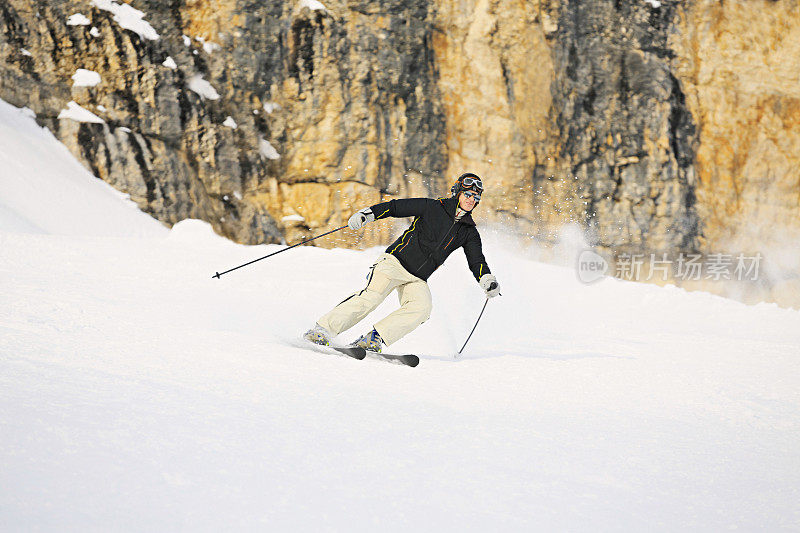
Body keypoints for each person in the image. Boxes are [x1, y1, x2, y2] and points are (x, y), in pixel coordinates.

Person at [303, 173, 500, 352]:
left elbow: (477, 260)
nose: (471, 199)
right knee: (370, 298)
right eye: (467, 194)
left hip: (417, 278)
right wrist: (367, 214)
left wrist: (486, 279)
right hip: (394, 263)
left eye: (475, 197)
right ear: (457, 192)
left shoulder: (468, 232)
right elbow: (394, 207)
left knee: (422, 308)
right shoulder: (432, 206)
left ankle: (374, 339)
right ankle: (321, 330)